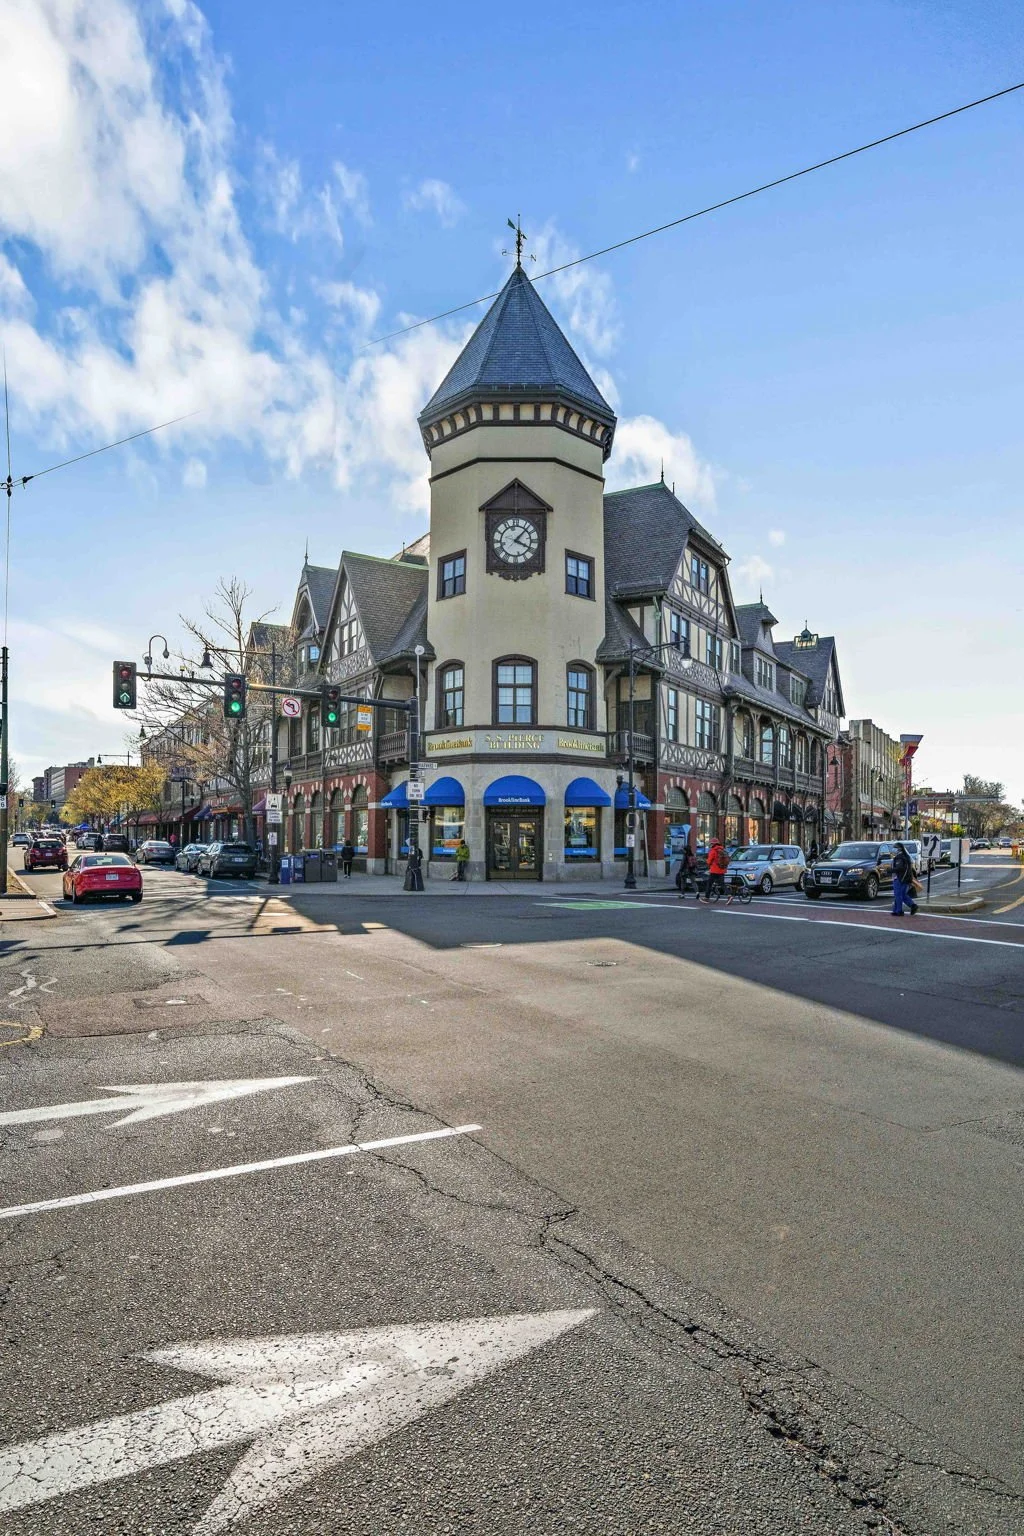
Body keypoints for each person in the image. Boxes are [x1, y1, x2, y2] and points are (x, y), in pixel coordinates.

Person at [697, 838, 730, 904]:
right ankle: (730, 895)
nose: (710, 845)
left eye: (711, 843)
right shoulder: (722, 849)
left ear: (713, 844)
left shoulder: (713, 850)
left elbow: (709, 861)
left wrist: (707, 862)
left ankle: (706, 898)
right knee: (722, 883)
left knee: (709, 884)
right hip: (722, 869)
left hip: (714, 870)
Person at [891, 841, 919, 917]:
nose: (893, 850)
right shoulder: (905, 856)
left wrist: (890, 870)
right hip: (905, 878)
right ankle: (912, 906)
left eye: (895, 848)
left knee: (898, 895)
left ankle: (899, 911)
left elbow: (899, 868)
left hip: (900, 879)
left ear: (899, 849)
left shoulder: (899, 858)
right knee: (902, 895)